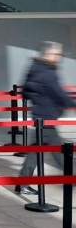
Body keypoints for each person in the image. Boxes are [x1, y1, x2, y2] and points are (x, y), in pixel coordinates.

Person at [15, 41, 76, 195]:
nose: (59, 58)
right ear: (49, 54)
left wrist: (38, 98)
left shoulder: (34, 68)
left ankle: (22, 183)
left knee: (38, 152)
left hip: (40, 115)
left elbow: (25, 92)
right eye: (57, 55)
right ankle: (72, 177)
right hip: (46, 117)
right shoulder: (48, 73)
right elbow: (59, 94)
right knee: (57, 151)